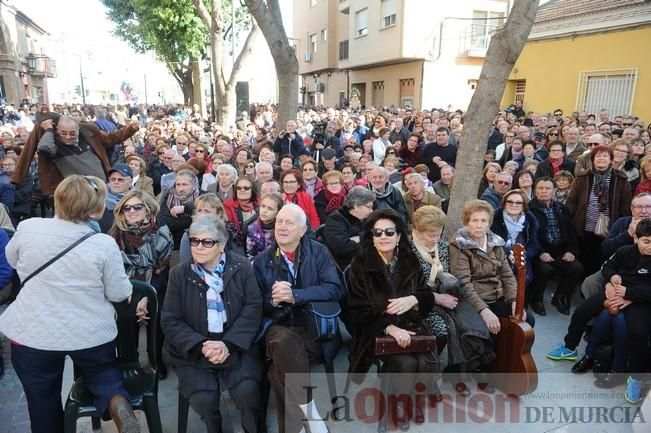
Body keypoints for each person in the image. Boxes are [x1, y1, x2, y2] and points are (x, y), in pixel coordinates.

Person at [0, 175, 141, 433]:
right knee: (103, 374)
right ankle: (116, 401)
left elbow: (12, 261)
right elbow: (119, 292)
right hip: (88, 332)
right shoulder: (103, 244)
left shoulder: (29, 228)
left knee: (41, 402)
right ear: (97, 210)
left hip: (33, 333)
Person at [161, 216, 263, 433]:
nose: (199, 246)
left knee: (247, 389)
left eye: (207, 242)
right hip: (196, 352)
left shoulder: (241, 266)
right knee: (204, 398)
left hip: (235, 345)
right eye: (194, 241)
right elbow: (171, 319)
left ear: (222, 244)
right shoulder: (178, 274)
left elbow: (253, 308)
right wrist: (202, 345)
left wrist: (228, 344)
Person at [254, 204, 344, 433]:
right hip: (278, 328)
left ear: (303, 230)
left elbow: (335, 289)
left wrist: (296, 296)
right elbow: (255, 306)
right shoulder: (263, 260)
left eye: (289, 222)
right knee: (283, 342)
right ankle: (312, 417)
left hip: (314, 328)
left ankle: (301, 425)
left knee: (277, 372)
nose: (282, 227)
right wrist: (273, 300)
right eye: (279, 221)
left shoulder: (319, 251)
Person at [347, 208, 437, 430]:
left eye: (389, 232)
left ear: (398, 236)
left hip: (412, 324)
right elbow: (357, 311)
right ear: (371, 237)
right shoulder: (360, 265)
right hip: (375, 330)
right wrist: (389, 328)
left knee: (427, 361)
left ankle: (411, 400)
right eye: (377, 233)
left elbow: (427, 295)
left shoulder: (410, 259)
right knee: (405, 363)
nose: (383, 237)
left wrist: (414, 299)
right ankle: (396, 404)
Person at [412, 206, 494, 384]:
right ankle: (428, 372)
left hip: (448, 297)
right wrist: (437, 298)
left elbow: (454, 274)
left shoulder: (442, 246)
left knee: (472, 324)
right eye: (430, 235)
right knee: (442, 330)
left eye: (438, 233)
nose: (435, 239)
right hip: (420, 303)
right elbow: (410, 287)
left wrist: (450, 290)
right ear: (417, 232)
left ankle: (459, 372)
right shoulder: (408, 250)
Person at [109, 189, 174, 379]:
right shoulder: (115, 234)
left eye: (137, 207)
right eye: (126, 208)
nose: (131, 211)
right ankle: (131, 361)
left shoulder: (161, 232)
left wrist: (145, 297)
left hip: (154, 283)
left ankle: (155, 359)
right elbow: (113, 269)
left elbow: (161, 270)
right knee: (126, 317)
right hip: (124, 285)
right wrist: (131, 294)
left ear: (148, 209)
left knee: (158, 316)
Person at [12, 115, 140, 197]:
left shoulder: (89, 131)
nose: (68, 137)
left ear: (78, 130)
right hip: (76, 194)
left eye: (72, 133)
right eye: (64, 133)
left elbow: (110, 139)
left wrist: (129, 130)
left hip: (101, 188)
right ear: (57, 131)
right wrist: (49, 130)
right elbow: (43, 149)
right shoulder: (51, 141)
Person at [566, 144, 632, 277]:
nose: (601, 158)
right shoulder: (583, 178)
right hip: (586, 225)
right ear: (592, 159)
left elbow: (626, 205)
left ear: (611, 159)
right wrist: (573, 218)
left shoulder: (621, 179)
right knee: (586, 256)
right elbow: (572, 201)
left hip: (609, 227)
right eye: (598, 156)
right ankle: (583, 284)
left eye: (605, 155)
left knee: (603, 256)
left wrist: (620, 224)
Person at [529, 177, 584, 315]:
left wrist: (571, 251)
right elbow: (529, 234)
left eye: (547, 188)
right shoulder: (529, 208)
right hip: (539, 250)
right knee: (544, 269)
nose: (544, 191)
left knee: (576, 268)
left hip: (560, 249)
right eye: (540, 188)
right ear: (535, 191)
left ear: (554, 191)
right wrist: (541, 252)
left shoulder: (560, 208)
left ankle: (560, 297)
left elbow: (570, 231)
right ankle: (537, 300)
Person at [490, 189, 541, 312]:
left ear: (524, 206)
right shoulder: (495, 218)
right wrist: (507, 255)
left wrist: (524, 255)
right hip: (499, 257)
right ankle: (506, 304)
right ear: (504, 203)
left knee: (526, 278)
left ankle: (519, 304)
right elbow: (491, 243)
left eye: (518, 203)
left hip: (522, 256)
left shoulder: (530, 221)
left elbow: (534, 245)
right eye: (510, 202)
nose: (514, 205)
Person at [323, 186, 375, 270]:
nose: (372, 211)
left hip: (366, 261)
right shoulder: (336, 220)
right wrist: (368, 244)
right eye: (369, 207)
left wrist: (359, 238)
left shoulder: (367, 218)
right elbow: (342, 248)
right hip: (349, 266)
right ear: (356, 207)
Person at [158, 169, 200, 249]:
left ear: (194, 186)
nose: (181, 189)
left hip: (199, 242)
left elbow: (206, 217)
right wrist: (191, 219)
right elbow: (163, 222)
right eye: (178, 185)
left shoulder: (204, 196)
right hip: (174, 244)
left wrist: (185, 209)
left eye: (184, 185)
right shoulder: (167, 196)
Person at [179, 194, 227, 263]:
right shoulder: (188, 235)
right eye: (199, 211)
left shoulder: (230, 232)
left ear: (219, 213)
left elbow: (238, 262)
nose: (202, 215)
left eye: (206, 211)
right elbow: (185, 266)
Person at [223, 176, 258, 255]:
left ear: (253, 190)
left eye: (246, 188)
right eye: (239, 188)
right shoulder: (228, 206)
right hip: (236, 247)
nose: (242, 190)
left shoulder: (261, 204)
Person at [246, 193, 284, 260]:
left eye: (270, 208)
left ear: (277, 213)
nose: (264, 211)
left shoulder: (282, 230)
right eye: (263, 206)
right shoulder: (252, 229)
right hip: (258, 265)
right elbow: (250, 255)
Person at [98, 163, 133, 233]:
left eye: (120, 180)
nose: (116, 182)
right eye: (113, 179)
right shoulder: (98, 197)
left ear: (130, 182)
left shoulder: (137, 201)